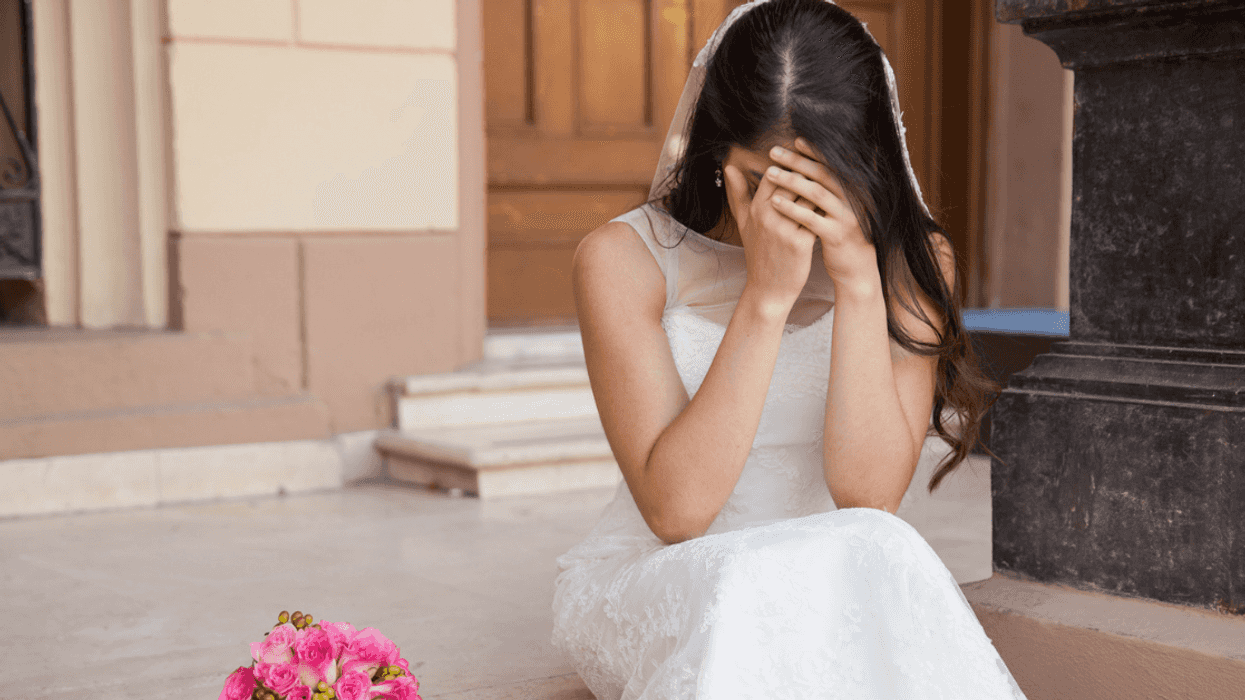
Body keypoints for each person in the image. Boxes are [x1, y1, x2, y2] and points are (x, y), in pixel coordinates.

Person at [551, 0, 1028, 697]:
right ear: (716, 154)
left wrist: (859, 284)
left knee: (883, 547)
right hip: (680, 575)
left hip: (838, 571)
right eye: (759, 182)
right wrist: (765, 300)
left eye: (816, 184)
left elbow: (866, 498)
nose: (784, 212)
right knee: (750, 583)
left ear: (865, 162)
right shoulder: (622, 261)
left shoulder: (915, 263)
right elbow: (677, 512)